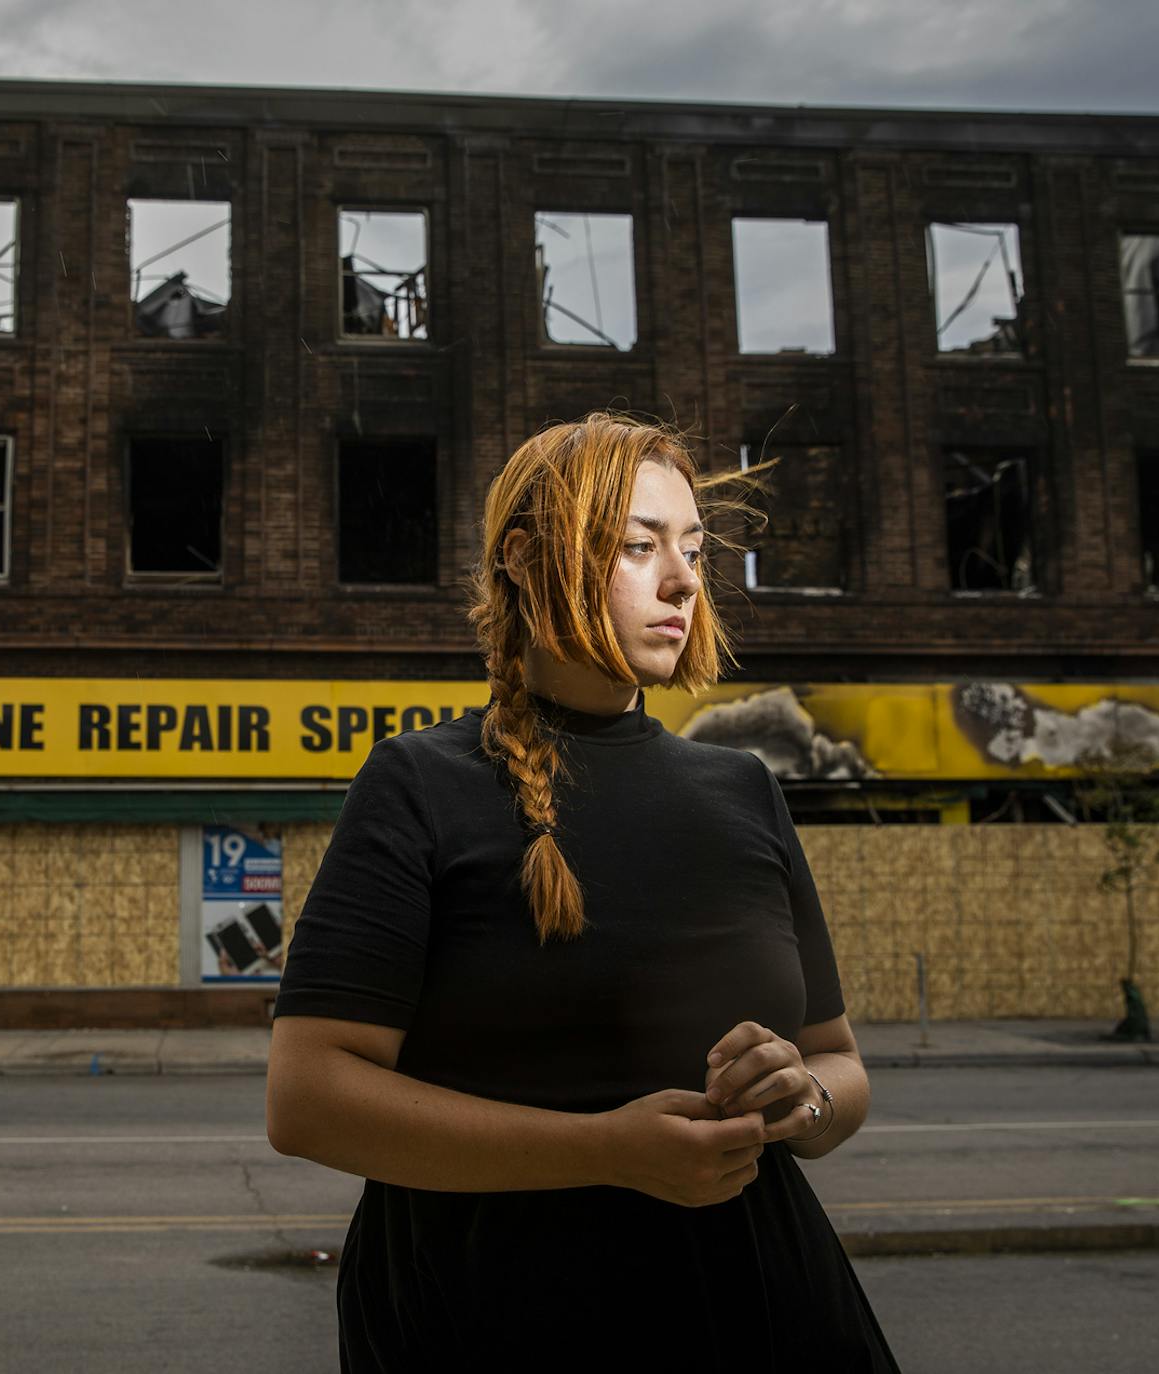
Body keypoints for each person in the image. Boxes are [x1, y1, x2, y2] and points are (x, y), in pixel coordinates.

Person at [265, 412, 901, 1370]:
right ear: (522, 557)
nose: (683, 579)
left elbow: (839, 1068)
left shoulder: (744, 790)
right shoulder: (418, 785)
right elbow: (308, 1100)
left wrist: (797, 1097)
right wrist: (605, 1151)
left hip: (761, 1308)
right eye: (638, 546)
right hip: (486, 1317)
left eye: (691, 548)